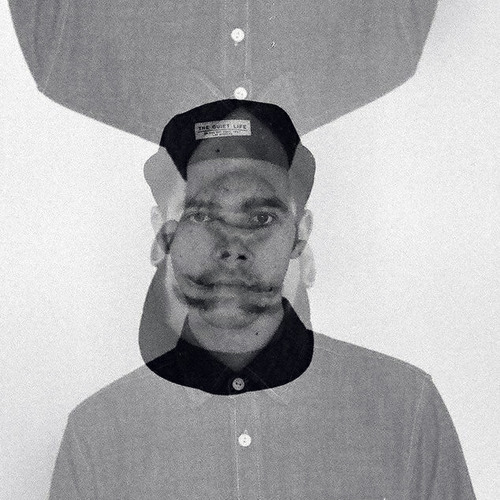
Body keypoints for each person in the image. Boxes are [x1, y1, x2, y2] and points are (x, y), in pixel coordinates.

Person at [49, 100, 476, 499]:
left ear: (300, 233)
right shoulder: (97, 435)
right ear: (163, 234)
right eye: (202, 215)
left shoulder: (406, 409)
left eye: (261, 217)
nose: (232, 247)